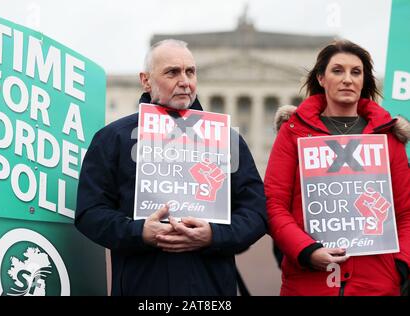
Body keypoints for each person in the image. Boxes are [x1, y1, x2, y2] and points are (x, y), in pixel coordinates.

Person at [75, 39, 268, 296]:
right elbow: (89, 212)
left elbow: (256, 212)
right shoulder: (113, 138)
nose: (185, 81)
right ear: (146, 80)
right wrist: (139, 232)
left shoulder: (228, 140)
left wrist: (213, 235)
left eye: (190, 71)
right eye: (172, 72)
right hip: (142, 286)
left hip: (211, 288)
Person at [265, 40, 410, 296]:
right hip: (309, 282)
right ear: (321, 78)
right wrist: (307, 251)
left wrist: (400, 266)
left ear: (364, 81)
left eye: (356, 72)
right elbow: (274, 204)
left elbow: (406, 212)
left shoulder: (388, 137)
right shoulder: (293, 133)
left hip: (376, 282)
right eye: (337, 70)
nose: (347, 79)